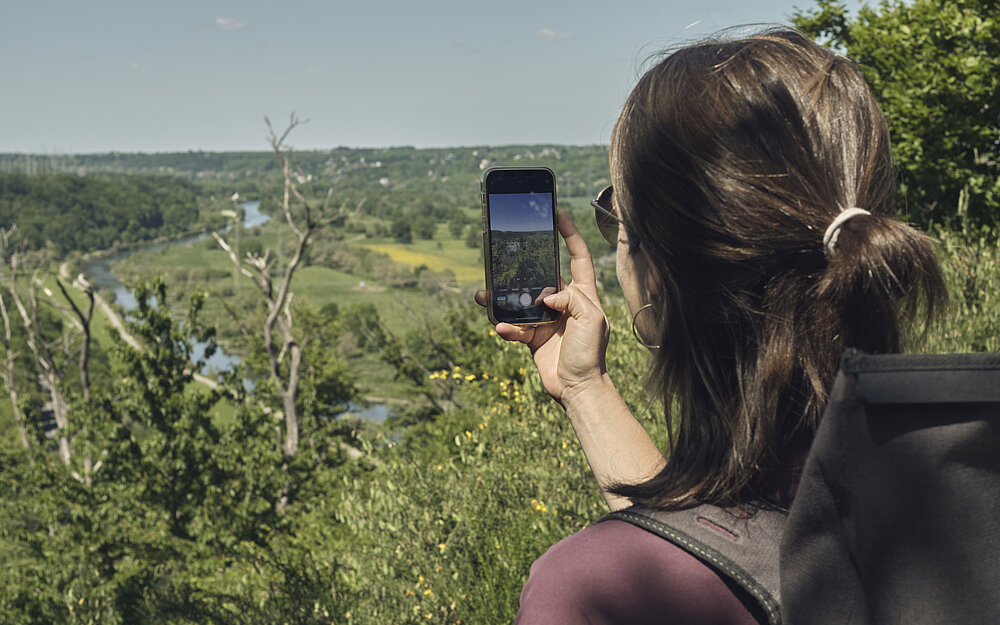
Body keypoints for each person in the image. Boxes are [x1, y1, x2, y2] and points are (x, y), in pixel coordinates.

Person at [476, 28, 948, 623]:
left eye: (615, 218)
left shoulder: (590, 592)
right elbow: (711, 541)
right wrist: (583, 386)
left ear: (656, 271)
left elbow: (714, 555)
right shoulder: (953, 499)